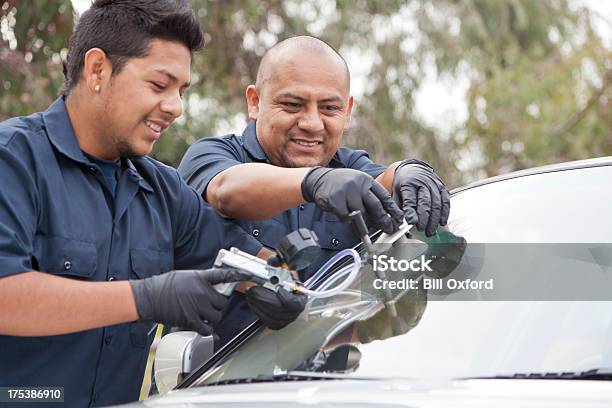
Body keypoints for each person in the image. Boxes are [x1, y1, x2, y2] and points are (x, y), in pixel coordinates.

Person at [0, 1, 304, 406]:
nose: (176, 107)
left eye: (180, 91)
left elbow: (239, 257)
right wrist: (145, 297)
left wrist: (275, 281)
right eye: (159, 86)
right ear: (97, 70)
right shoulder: (13, 161)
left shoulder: (163, 190)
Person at [178, 36, 451, 346]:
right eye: (292, 105)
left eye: (329, 108)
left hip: (324, 385)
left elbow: (382, 185)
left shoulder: (349, 167)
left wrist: (410, 171)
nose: (311, 123)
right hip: (212, 385)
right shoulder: (211, 155)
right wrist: (314, 182)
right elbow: (226, 190)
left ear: (348, 111)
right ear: (255, 102)